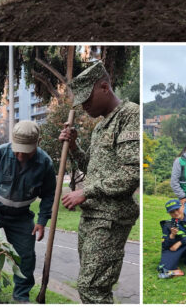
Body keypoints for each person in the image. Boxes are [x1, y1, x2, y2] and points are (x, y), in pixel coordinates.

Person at [59, 61, 140, 303]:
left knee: (92, 288)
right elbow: (93, 168)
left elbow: (131, 173)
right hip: (92, 215)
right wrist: (74, 147)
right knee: (92, 287)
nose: (84, 106)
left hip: (111, 217)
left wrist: (86, 192)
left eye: (87, 99)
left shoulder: (130, 115)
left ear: (104, 87)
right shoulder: (101, 126)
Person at [0, 121, 56, 301]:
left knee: (26, 256)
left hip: (21, 216)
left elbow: (48, 195)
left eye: (26, 151)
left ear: (37, 143)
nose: (20, 155)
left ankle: (21, 296)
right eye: (17, 150)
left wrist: (42, 221)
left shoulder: (45, 163)